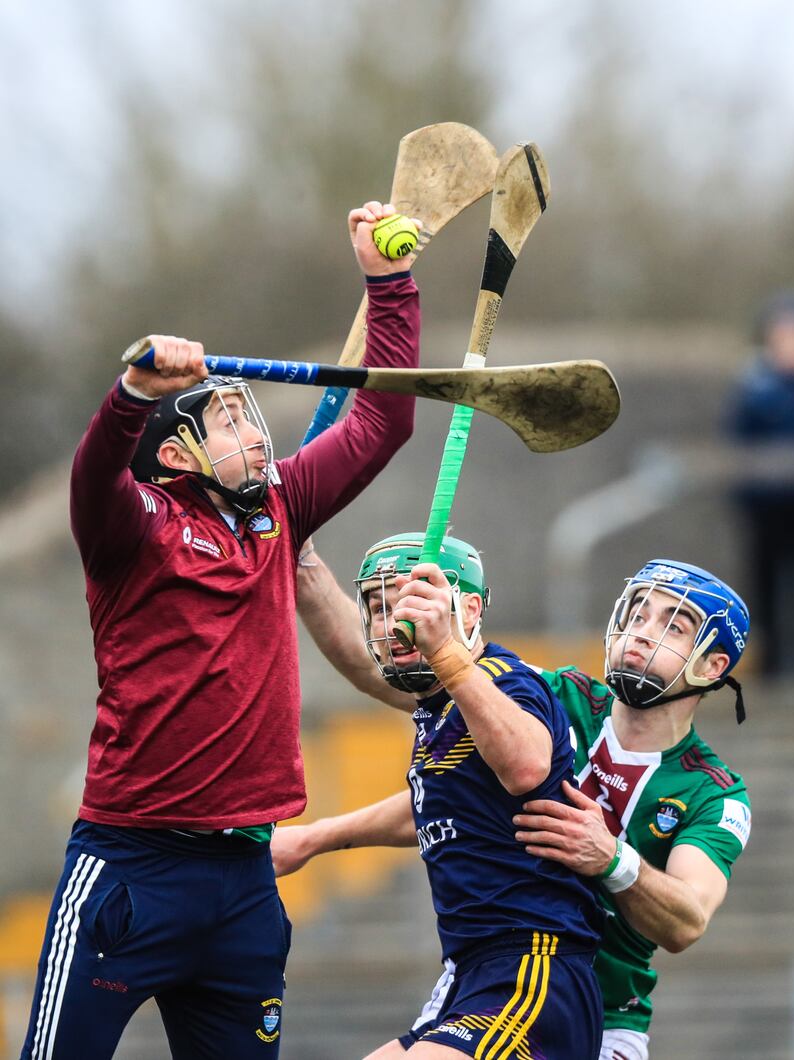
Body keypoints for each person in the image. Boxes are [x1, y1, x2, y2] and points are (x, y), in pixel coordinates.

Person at [21, 201, 420, 1060]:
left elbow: (385, 420)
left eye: (248, 414)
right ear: (173, 456)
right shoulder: (133, 528)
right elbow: (95, 475)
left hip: (247, 877)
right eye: (225, 421)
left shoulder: (281, 504)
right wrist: (133, 396)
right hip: (130, 867)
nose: (253, 430)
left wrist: (389, 285)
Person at [290, 549, 752, 1060]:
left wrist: (613, 859)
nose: (643, 630)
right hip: (487, 975)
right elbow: (441, 787)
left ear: (714, 666)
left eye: (674, 624)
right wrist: (303, 561)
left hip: (602, 1012)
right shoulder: (557, 696)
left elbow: (686, 920)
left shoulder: (713, 791)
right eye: (637, 613)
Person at [277, 532, 605, 1059]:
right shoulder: (438, 705)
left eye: (412, 604)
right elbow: (435, 804)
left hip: (534, 965)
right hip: (467, 972)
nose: (394, 623)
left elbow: (525, 766)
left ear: (469, 609)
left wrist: (447, 654)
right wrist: (315, 838)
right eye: (379, 608)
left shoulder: (506, 682)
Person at [723, 289, 794, 677]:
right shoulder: (757, 386)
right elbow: (738, 444)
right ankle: (771, 667)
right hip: (766, 507)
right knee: (765, 586)